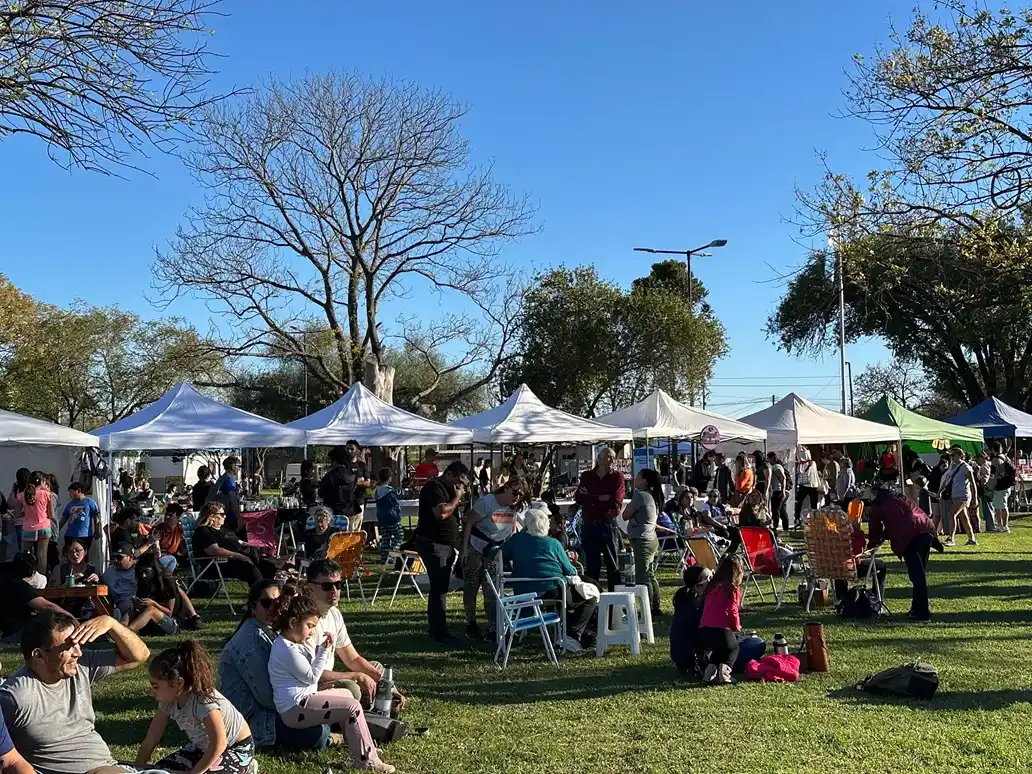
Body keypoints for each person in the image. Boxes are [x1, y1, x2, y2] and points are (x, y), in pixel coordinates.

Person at [0, 611, 151, 774]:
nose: (78, 653)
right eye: (68, 647)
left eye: (79, 645)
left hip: (109, 766)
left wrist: (111, 624)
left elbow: (139, 656)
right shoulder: (17, 696)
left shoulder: (81, 666)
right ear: (39, 655)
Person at [269, 594, 394, 772]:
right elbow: (311, 676)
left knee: (348, 695)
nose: (313, 632)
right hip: (295, 709)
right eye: (310, 626)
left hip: (303, 700)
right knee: (351, 707)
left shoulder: (293, 643)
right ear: (292, 623)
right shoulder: (286, 649)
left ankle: (361, 747)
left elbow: (304, 679)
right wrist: (324, 650)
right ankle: (367, 760)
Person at [219, 581, 331, 751]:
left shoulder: (274, 632)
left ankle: (364, 723)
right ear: (253, 607)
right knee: (318, 732)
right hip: (256, 720)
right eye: (266, 603)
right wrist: (310, 704)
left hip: (283, 706)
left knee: (341, 698)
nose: (273, 607)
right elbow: (268, 698)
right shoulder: (251, 641)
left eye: (277, 601)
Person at [136, 640, 256, 774]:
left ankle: (247, 767)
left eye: (156, 686)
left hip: (235, 748)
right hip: (202, 748)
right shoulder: (167, 701)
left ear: (178, 683)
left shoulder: (204, 702)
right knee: (160, 771)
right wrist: (137, 769)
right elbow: (151, 738)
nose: (152, 692)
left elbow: (219, 743)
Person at [304, 558, 406, 711]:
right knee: (352, 688)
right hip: (311, 685)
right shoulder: (302, 621)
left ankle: (378, 705)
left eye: (338, 585)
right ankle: (364, 710)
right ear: (310, 588)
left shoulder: (334, 614)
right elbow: (310, 673)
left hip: (327, 680)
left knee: (377, 669)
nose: (334, 591)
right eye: (327, 586)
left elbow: (352, 658)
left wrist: (387, 684)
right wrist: (356, 676)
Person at [502, 509, 598, 653]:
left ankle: (567, 634)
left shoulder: (516, 541)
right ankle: (572, 635)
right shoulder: (553, 543)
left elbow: (498, 554)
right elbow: (570, 571)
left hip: (523, 592)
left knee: (565, 596)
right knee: (590, 597)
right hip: (551, 590)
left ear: (527, 526)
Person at [460, 477, 527, 639]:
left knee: (492, 590)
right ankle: (471, 622)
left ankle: (494, 626)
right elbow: (468, 524)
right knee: (471, 586)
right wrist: (463, 550)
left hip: (496, 551)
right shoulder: (487, 503)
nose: (517, 497)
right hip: (476, 547)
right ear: (506, 488)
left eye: (521, 495)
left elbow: (511, 528)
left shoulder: (514, 507)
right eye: (515, 493)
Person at [414, 460, 469, 643]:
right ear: (449, 474)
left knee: (440, 586)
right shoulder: (434, 487)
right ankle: (439, 632)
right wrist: (457, 498)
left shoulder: (447, 489)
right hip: (433, 543)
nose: (459, 487)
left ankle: (437, 628)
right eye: (458, 482)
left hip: (445, 544)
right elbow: (441, 513)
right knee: (439, 587)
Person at [867, 486, 942, 622]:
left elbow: (875, 527)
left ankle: (922, 612)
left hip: (909, 536)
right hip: (926, 530)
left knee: (917, 576)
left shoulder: (878, 504)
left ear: (875, 493)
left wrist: (872, 544)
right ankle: (916, 608)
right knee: (919, 574)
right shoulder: (900, 497)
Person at [575, 447, 625, 593]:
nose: (611, 460)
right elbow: (579, 498)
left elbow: (616, 501)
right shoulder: (587, 476)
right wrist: (601, 497)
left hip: (608, 525)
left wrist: (591, 497)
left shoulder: (617, 477)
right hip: (590, 524)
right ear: (599, 458)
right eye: (608, 456)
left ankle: (616, 601)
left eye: (613, 457)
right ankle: (593, 598)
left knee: (613, 565)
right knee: (592, 565)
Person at [698, 552, 746, 685]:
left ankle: (709, 673)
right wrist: (736, 627)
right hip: (721, 629)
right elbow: (733, 610)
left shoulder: (712, 587)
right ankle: (725, 674)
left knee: (719, 650)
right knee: (732, 648)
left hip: (704, 629)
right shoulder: (732, 589)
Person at [621, 468, 663, 617]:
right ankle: (655, 605)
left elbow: (625, 514)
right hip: (651, 538)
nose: (635, 479)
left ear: (644, 481)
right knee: (649, 574)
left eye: (637, 477)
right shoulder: (652, 496)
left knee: (643, 576)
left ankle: (647, 609)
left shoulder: (641, 496)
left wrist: (631, 515)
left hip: (642, 540)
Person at [670, 565, 712, 679]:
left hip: (687, 656)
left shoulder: (689, 600)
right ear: (698, 587)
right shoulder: (693, 608)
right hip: (691, 661)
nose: (713, 581)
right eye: (709, 578)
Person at [319, 442, 371, 531]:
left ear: (334, 461)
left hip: (334, 513)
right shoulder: (351, 476)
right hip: (351, 510)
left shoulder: (330, 476)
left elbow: (321, 493)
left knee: (335, 538)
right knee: (352, 537)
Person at [16, 472, 53, 576]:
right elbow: (51, 515)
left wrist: (26, 512)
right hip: (44, 527)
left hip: (28, 528)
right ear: (41, 482)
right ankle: (42, 579)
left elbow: (17, 514)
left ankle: (25, 576)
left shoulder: (22, 495)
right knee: (42, 555)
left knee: (25, 554)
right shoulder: (46, 494)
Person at [940, 445, 978, 547]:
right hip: (955, 495)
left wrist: (975, 498)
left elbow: (973, 482)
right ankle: (972, 539)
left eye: (953, 455)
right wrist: (940, 491)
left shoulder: (966, 467)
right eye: (951, 455)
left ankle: (951, 538)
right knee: (964, 518)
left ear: (960, 455)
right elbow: (947, 481)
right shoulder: (952, 467)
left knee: (951, 514)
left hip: (963, 496)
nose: (952, 457)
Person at [102, 543, 143, 623]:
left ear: (130, 558)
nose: (116, 560)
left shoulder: (139, 570)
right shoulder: (109, 572)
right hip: (115, 605)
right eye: (114, 557)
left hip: (134, 605)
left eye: (119, 557)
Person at [58, 482, 99, 554]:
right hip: (70, 535)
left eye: (71, 492)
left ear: (78, 490)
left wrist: (97, 530)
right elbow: (64, 518)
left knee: (82, 555)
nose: (70, 495)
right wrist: (57, 529)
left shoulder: (90, 503)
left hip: (85, 535)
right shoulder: (70, 504)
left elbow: (96, 518)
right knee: (69, 554)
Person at [374, 468, 403, 563]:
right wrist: (398, 511)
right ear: (389, 478)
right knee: (399, 535)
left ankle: (384, 557)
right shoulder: (389, 490)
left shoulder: (377, 490)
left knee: (386, 538)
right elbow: (394, 503)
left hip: (381, 517)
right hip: (391, 517)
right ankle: (392, 554)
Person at [150, 502, 187, 573]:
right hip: (159, 558)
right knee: (172, 560)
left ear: (178, 518)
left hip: (175, 557)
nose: (167, 517)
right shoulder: (158, 529)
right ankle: (167, 580)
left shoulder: (180, 529)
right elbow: (155, 550)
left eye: (171, 515)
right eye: (166, 514)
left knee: (195, 561)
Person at [210, 456, 243, 530]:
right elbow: (233, 500)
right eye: (239, 466)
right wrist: (239, 518)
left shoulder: (223, 478)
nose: (240, 468)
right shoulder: (229, 480)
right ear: (233, 466)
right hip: (228, 517)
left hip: (219, 515)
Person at [989, 442, 1014, 534]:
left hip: (1000, 486)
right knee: (999, 506)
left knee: (1002, 506)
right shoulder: (1006, 457)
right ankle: (1000, 525)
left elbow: (993, 475)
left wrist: (989, 487)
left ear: (993, 450)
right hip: (1007, 485)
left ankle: (1005, 526)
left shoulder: (995, 460)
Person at [794, 446, 821, 528]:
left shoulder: (806, 463)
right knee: (812, 504)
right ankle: (814, 520)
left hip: (806, 485)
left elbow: (801, 471)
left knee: (799, 502)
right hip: (813, 485)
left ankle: (798, 518)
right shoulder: (813, 463)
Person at [767, 452, 789, 534]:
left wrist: (782, 491)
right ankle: (786, 529)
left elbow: (783, 478)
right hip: (780, 491)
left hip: (778, 491)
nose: (768, 461)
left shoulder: (776, 467)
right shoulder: (777, 466)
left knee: (775, 510)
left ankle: (775, 528)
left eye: (768, 458)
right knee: (782, 511)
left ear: (772, 458)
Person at [973, 450, 994, 533]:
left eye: (978, 459)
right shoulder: (990, 463)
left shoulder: (984, 466)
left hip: (986, 489)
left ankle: (990, 526)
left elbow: (985, 478)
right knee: (990, 507)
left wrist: (982, 486)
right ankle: (991, 525)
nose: (977, 462)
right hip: (991, 488)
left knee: (988, 508)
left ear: (981, 458)